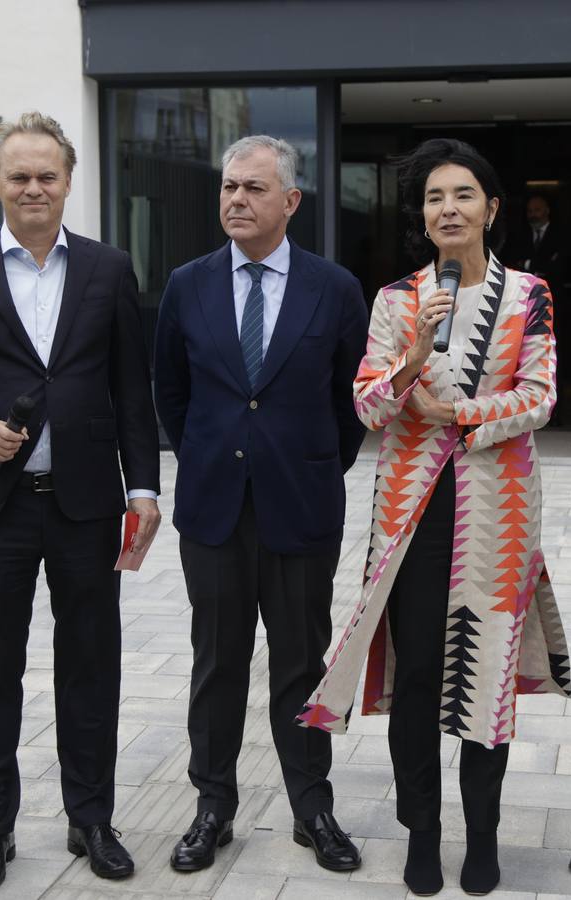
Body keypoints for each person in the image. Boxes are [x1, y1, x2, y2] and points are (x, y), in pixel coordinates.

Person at [299, 138, 571, 897]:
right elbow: (368, 403)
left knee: (482, 674)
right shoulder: (395, 300)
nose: (447, 209)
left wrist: (458, 411)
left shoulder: (532, 295)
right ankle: (424, 833)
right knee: (418, 676)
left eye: (462, 195)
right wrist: (416, 353)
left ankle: (481, 838)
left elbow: (541, 395)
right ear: (422, 217)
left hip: (498, 507)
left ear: (491, 209)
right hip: (411, 513)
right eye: (432, 199)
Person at [0, 111, 160, 890]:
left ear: (67, 180)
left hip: (87, 506)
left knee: (91, 667)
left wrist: (144, 486)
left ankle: (91, 818)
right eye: (17, 175)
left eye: (46, 175)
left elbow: (131, 386)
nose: (32, 188)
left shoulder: (109, 269)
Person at [152, 135, 367, 876]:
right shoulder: (188, 283)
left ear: (290, 201)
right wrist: (213, 456)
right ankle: (213, 806)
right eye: (228, 187)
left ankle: (313, 807)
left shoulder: (334, 288)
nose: (236, 200)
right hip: (214, 508)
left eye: (252, 188)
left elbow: (349, 406)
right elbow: (170, 394)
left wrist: (304, 465)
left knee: (302, 663)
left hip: (300, 505)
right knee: (218, 661)